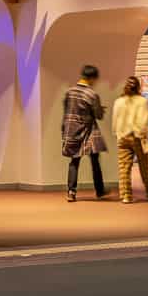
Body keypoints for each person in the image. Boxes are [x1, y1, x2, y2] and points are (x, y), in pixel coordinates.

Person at [59, 65, 107, 203]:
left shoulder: (69, 92)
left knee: (74, 161)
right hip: (88, 131)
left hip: (72, 130)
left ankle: (71, 191)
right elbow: (98, 115)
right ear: (92, 78)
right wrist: (101, 110)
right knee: (95, 160)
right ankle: (99, 190)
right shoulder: (92, 94)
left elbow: (66, 111)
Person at [111, 77, 148, 203]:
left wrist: (117, 133)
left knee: (124, 167)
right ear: (138, 87)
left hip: (122, 137)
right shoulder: (142, 101)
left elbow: (115, 120)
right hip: (137, 137)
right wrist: (147, 135)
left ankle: (126, 196)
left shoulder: (118, 101)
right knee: (143, 166)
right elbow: (144, 121)